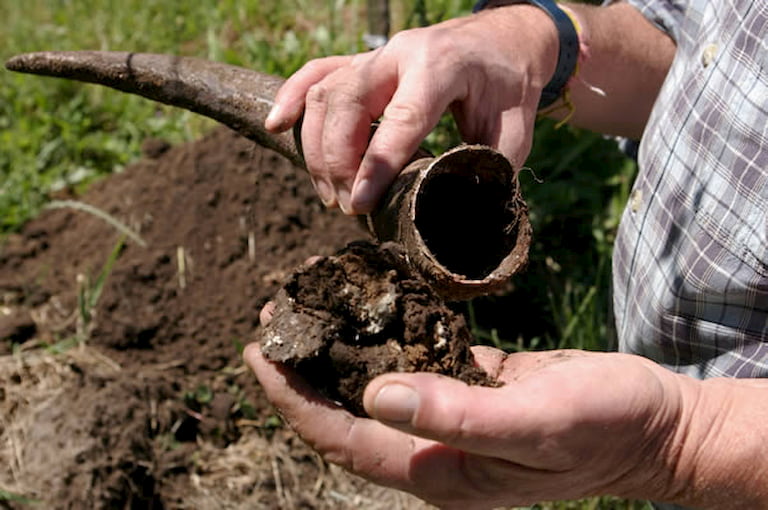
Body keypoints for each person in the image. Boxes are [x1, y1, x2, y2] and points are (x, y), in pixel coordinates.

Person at [244, 0, 768, 507]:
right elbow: (703, 46)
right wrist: (540, 38)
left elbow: (681, 439)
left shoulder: (673, 437)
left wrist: (683, 440)